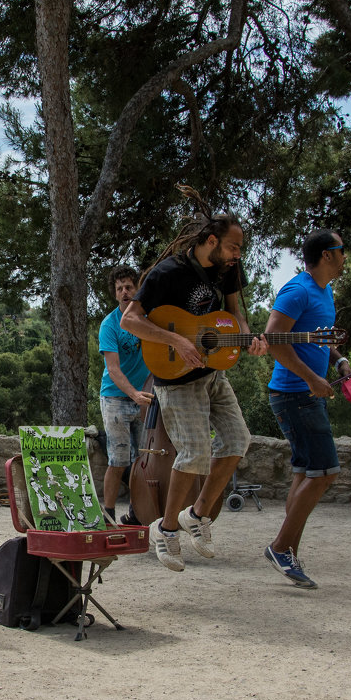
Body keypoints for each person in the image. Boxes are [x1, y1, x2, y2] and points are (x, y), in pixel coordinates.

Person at [121, 213, 267, 571]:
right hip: (176, 378)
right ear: (212, 241)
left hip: (213, 372)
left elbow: (234, 316)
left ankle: (197, 515)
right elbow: (130, 319)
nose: (238, 254)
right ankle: (166, 529)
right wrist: (175, 340)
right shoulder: (168, 273)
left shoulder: (229, 270)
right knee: (195, 452)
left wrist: (249, 338)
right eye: (233, 246)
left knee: (237, 440)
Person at [263, 228, 351, 589]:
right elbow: (272, 339)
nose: (346, 255)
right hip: (295, 394)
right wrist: (311, 380)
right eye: (342, 250)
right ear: (328, 254)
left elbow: (319, 340)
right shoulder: (298, 290)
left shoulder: (325, 290)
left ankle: (289, 552)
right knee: (326, 472)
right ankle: (280, 547)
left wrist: (339, 361)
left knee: (305, 473)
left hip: (305, 392)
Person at [97, 265, 154, 522]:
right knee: (119, 458)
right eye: (119, 288)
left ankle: (138, 513)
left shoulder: (150, 319)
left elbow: (159, 358)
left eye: (129, 286)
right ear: (115, 294)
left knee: (146, 460)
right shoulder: (109, 325)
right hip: (115, 397)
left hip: (145, 395)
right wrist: (134, 395)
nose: (124, 292)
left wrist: (148, 392)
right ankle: (108, 513)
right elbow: (113, 368)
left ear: (137, 288)